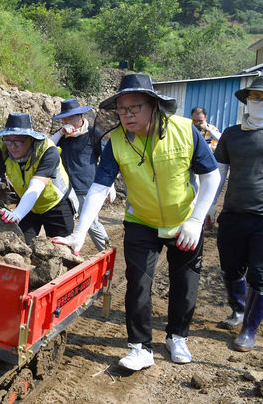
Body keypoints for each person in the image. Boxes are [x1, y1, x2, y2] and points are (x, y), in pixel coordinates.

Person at [53, 73, 220, 370]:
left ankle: (177, 336)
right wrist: (79, 233)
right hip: (141, 219)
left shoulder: (185, 131)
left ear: (153, 105)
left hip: (184, 220)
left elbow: (211, 176)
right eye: (121, 108)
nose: (127, 114)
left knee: (185, 283)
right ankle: (140, 347)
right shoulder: (116, 141)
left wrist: (196, 219)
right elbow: (99, 188)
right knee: (138, 283)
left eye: (134, 107)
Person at [207, 76, 263, 350]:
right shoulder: (231, 134)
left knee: (259, 275)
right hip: (232, 213)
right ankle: (238, 309)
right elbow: (219, 174)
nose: (258, 102)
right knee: (231, 268)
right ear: (246, 101)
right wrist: (209, 206)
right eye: (255, 96)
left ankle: (249, 329)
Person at [0, 112, 76, 243]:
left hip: (55, 204)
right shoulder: (3, 151)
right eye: (8, 140)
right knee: (19, 243)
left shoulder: (47, 151)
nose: (12, 147)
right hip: (27, 203)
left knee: (60, 248)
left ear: (30, 139)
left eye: (17, 142)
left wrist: (17, 214)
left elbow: (36, 186)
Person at [50, 97, 113, 251]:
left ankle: (106, 251)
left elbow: (107, 158)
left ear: (80, 117)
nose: (67, 121)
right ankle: (69, 254)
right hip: (66, 188)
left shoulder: (93, 134)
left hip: (86, 187)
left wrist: (109, 185)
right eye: (65, 118)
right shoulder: (62, 137)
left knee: (91, 223)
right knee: (67, 223)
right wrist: (60, 132)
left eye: (71, 118)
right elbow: (47, 147)